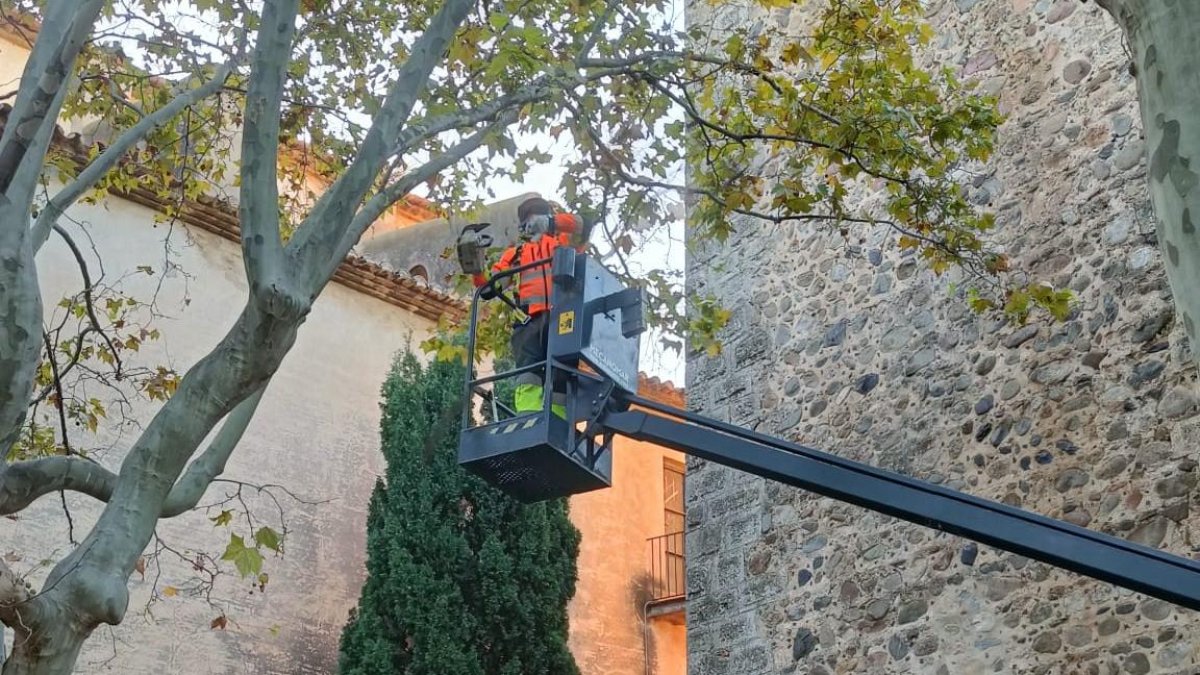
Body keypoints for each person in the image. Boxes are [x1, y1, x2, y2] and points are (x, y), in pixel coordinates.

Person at [472, 196, 585, 417]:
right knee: (529, 370)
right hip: (528, 320)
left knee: (561, 370)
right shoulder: (516, 253)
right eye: (527, 220)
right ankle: (528, 416)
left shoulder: (563, 245)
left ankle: (557, 420)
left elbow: (584, 225)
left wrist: (553, 223)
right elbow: (489, 289)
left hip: (562, 318)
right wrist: (475, 267)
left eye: (536, 218)